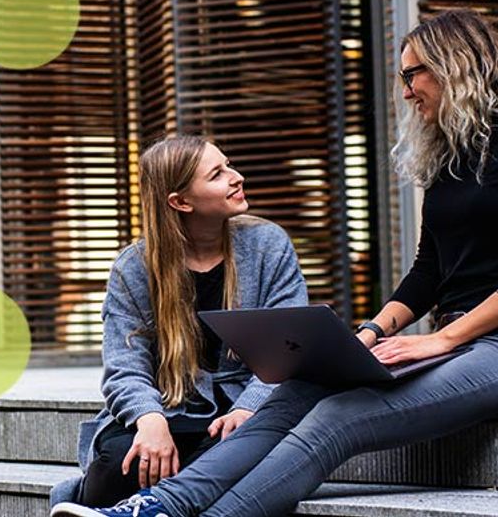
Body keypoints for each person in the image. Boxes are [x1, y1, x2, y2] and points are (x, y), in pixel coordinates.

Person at [51, 7, 498, 517]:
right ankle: (158, 507)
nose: (405, 91)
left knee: (337, 417)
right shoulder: (449, 159)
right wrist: (370, 333)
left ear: (455, 65)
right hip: (456, 348)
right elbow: (428, 272)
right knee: (297, 392)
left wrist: (444, 338)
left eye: (412, 75)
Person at [48, 135, 308, 508]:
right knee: (124, 463)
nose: (236, 177)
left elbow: (289, 346)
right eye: (217, 174)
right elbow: (124, 367)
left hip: (248, 408)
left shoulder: (268, 245)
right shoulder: (134, 268)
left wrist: (250, 406)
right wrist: (149, 419)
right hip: (170, 406)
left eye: (228, 164)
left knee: (230, 456)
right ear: (180, 202)